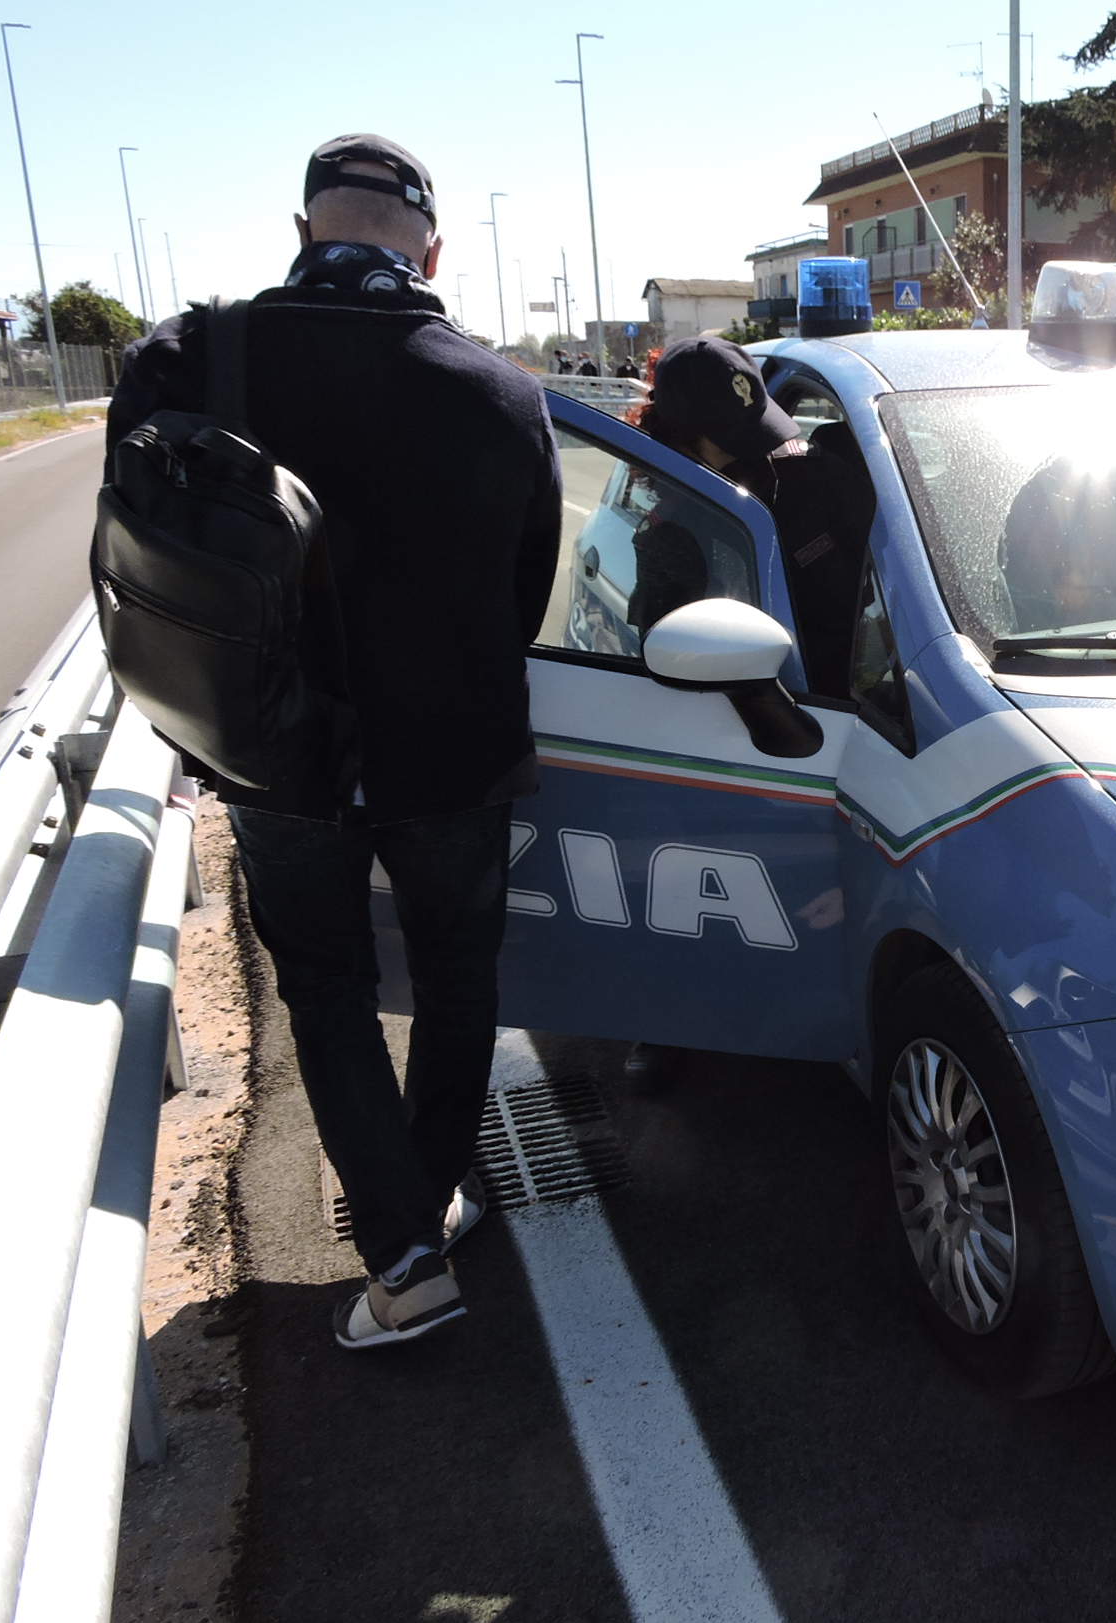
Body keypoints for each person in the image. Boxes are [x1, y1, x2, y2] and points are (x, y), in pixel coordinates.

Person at [107, 134, 560, 1349]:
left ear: (306, 228)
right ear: (433, 248)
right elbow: (526, 596)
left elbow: (141, 538)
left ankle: (405, 1246)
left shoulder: (198, 358)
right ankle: (422, 1210)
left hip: (276, 745)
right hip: (455, 747)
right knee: (459, 983)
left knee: (324, 985)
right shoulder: (504, 395)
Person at [617, 335, 875, 1092]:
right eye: (733, 443)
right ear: (680, 442)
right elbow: (674, 656)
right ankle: (658, 1017)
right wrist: (766, 707)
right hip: (727, 733)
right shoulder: (671, 531)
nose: (765, 452)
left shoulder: (816, 483)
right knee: (669, 854)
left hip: (841, 723)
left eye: (758, 424)